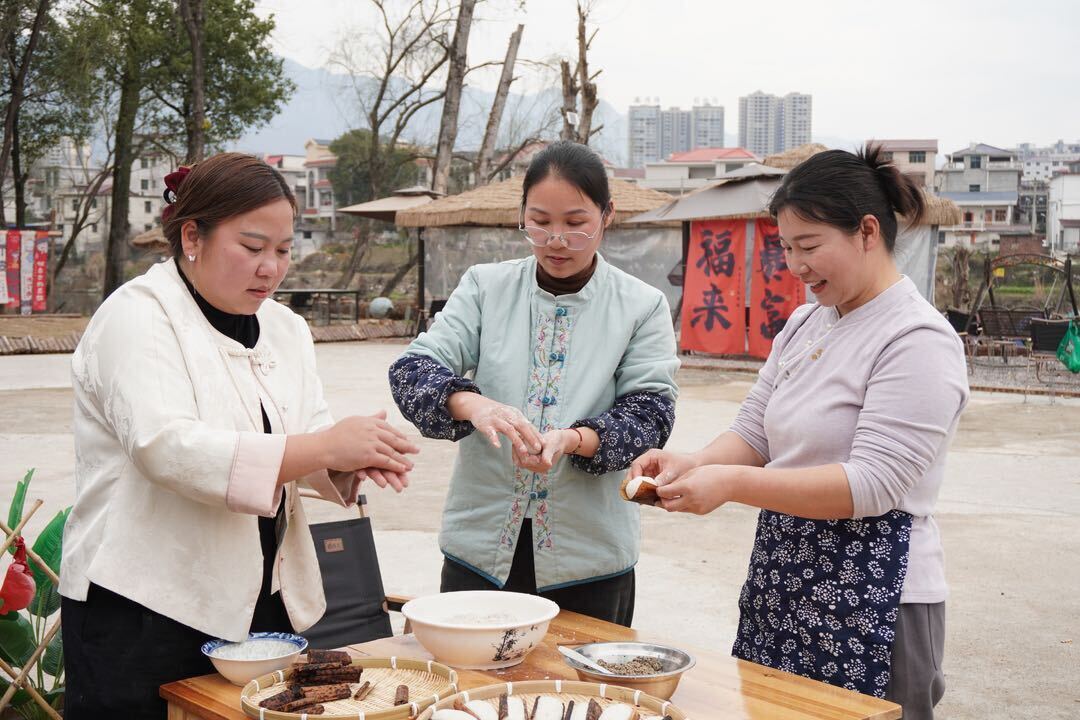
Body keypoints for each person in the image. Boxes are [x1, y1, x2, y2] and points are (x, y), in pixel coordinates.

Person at [59, 152, 419, 719]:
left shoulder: (286, 329)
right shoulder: (137, 317)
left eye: (282, 250)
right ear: (192, 235)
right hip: (143, 607)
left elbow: (305, 435)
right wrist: (325, 447)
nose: (271, 269)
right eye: (252, 248)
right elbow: (167, 447)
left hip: (259, 599)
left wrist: (348, 459)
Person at [631, 145, 968, 718]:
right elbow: (756, 429)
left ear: (866, 231)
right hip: (785, 572)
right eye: (785, 247)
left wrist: (731, 484)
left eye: (808, 246)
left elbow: (872, 486)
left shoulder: (917, 340)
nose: (794, 265)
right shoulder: (807, 321)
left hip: (878, 594)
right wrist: (694, 462)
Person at [389, 141, 679, 626]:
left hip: (589, 557)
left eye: (575, 222)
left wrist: (572, 440)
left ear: (607, 216)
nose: (556, 239)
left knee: (581, 696)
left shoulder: (641, 305)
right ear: (521, 214)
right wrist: (473, 406)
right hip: (480, 549)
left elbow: (650, 414)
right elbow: (414, 368)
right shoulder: (485, 286)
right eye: (540, 221)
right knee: (472, 691)